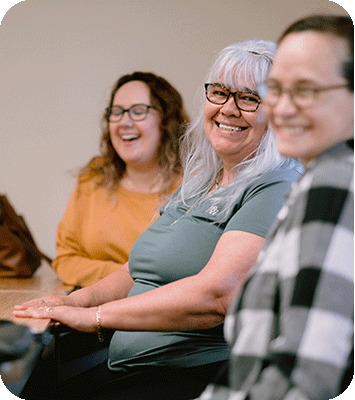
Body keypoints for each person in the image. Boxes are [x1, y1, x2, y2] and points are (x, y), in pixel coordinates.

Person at [13, 39, 301, 400]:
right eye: (220, 93)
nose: (229, 108)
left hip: (196, 374)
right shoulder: (200, 183)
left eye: (249, 98)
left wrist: (97, 315)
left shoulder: (276, 183)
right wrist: (76, 302)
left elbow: (218, 295)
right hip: (133, 366)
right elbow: (135, 270)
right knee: (27, 374)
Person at [198, 14, 354, 400]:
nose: (281, 108)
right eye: (275, 89)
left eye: (305, 90)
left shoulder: (335, 183)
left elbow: (304, 377)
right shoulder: (315, 180)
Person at [52, 71, 189, 287]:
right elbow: (65, 260)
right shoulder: (93, 179)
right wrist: (124, 276)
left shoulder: (195, 187)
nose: (125, 122)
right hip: (94, 309)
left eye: (138, 111)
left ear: (166, 120)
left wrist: (125, 277)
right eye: (116, 112)